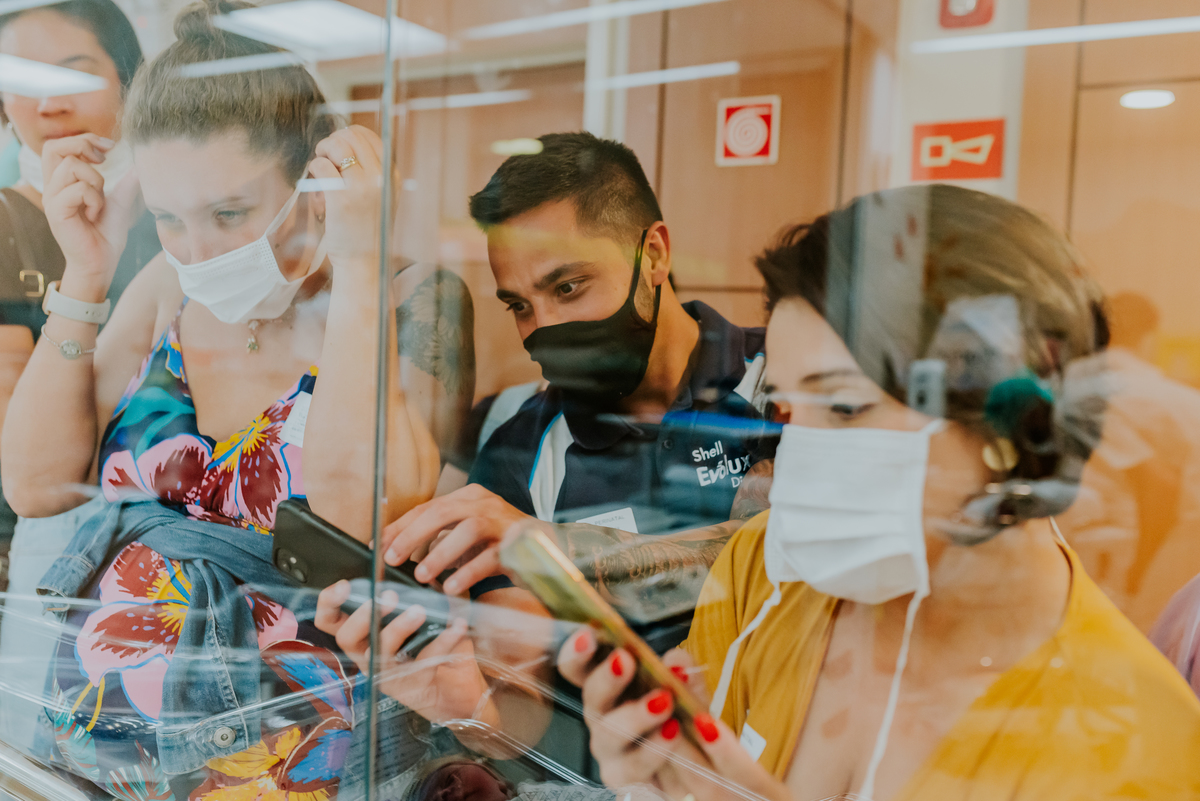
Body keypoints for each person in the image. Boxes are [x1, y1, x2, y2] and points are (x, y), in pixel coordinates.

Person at [557, 185, 1200, 801]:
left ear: (1014, 421)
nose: (798, 453)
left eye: (844, 406)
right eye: (784, 408)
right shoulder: (764, 575)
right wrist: (653, 779)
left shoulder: (1137, 754)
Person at [0, 0, 475, 795]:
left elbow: (361, 512)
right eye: (169, 218)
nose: (200, 251)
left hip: (295, 766)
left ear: (315, 182)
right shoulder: (164, 289)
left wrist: (356, 264)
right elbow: (35, 483)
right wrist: (86, 273)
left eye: (230, 212)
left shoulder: (409, 300)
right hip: (95, 751)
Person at [379, 132, 777, 624]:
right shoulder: (519, 453)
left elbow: (786, 551)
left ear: (652, 255)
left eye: (568, 287)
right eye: (519, 306)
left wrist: (547, 544)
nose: (543, 327)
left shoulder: (780, 377)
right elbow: (521, 671)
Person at [0, 0, 160, 576]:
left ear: (128, 79)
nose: (52, 103)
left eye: (75, 73)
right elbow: (32, 469)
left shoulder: (179, 215)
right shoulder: (6, 226)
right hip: (46, 557)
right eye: (23, 81)